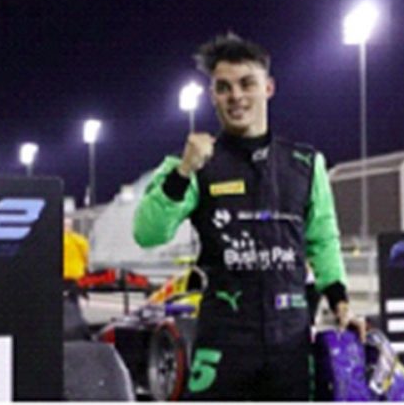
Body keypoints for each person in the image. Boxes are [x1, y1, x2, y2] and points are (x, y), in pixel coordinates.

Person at [133, 32, 361, 400]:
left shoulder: (304, 162)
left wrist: (340, 303)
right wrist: (183, 172)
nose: (236, 96)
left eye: (246, 84)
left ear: (268, 88)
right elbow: (148, 233)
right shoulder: (193, 164)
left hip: (290, 338)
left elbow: (322, 239)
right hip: (223, 337)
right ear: (213, 96)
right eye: (224, 88)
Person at [63, 217, 89, 302]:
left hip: (64, 274)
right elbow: (87, 256)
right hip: (76, 274)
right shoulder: (80, 240)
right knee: (73, 298)